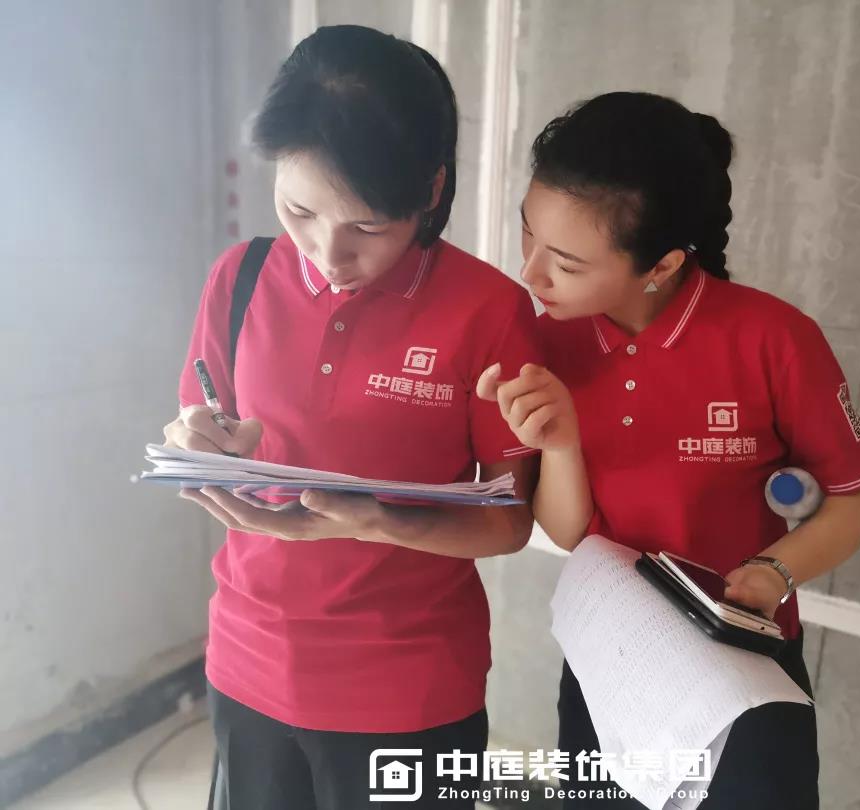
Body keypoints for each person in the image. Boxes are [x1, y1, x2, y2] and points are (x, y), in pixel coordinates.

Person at [163, 26, 540, 810]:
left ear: (430, 192)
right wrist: (201, 443)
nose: (329, 254)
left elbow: (508, 520)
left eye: (366, 227)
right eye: (300, 210)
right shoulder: (240, 278)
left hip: (408, 687)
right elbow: (199, 417)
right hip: (248, 659)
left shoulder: (489, 311)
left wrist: (378, 522)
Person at [478, 91, 860, 809]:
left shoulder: (773, 340)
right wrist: (562, 443)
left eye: (565, 262)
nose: (531, 274)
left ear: (661, 264)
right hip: (612, 659)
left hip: (743, 665)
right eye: (527, 235)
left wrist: (775, 571)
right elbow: (570, 533)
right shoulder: (545, 342)